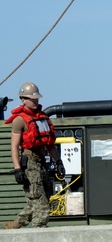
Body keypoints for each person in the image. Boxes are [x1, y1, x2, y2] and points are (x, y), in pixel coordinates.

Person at [4, 82, 62, 229]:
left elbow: (50, 144)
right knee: (41, 206)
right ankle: (38, 235)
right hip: (29, 163)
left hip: (41, 162)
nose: (35, 101)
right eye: (31, 98)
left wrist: (59, 162)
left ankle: (13, 226)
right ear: (23, 99)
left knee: (37, 201)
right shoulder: (19, 120)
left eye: (36, 98)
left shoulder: (42, 118)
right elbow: (14, 146)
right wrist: (17, 169)